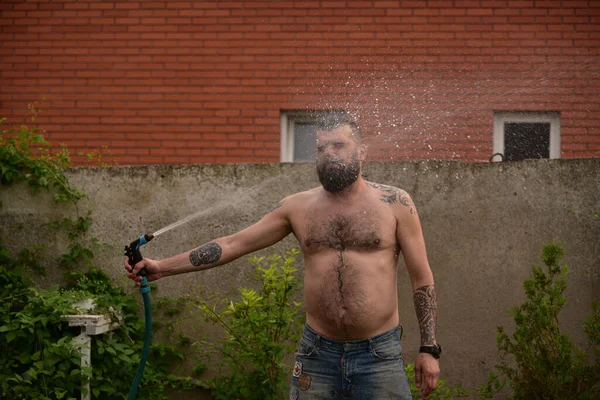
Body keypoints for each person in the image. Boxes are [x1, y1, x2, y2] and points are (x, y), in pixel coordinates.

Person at [125, 114, 440, 399]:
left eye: (339, 145)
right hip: (317, 354)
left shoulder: (395, 203)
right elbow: (233, 244)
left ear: (362, 152)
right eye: (321, 148)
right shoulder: (297, 207)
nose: (329, 153)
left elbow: (421, 277)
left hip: (378, 354)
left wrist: (428, 348)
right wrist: (161, 267)